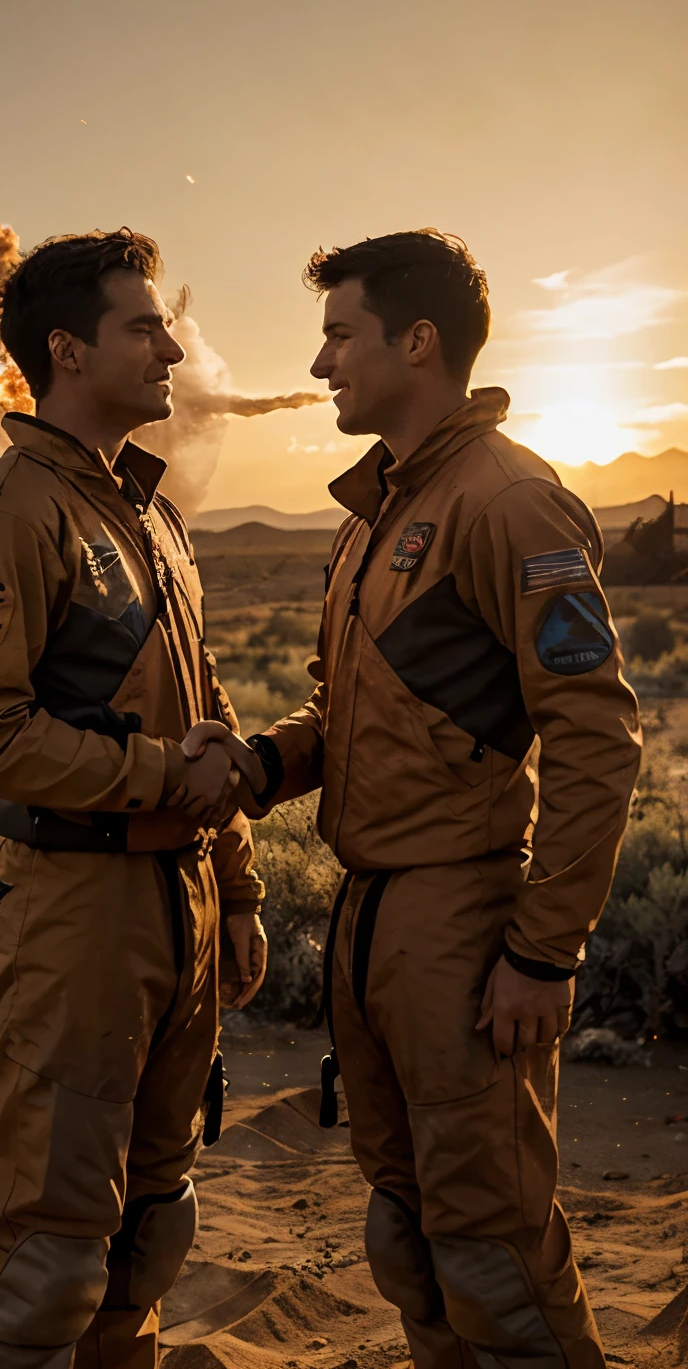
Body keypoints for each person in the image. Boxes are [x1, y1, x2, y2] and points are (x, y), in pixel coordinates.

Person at [189, 229, 642, 1368]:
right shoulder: (371, 516)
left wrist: (543, 952)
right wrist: (262, 767)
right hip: (372, 922)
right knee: (410, 1233)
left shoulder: (508, 503)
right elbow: (353, 717)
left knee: (492, 1247)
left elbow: (596, 740)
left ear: (418, 341)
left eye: (340, 335)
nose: (320, 362)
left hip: (461, 925)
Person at [0, 229, 267, 1369]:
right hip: (71, 912)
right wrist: (169, 781)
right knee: (51, 1251)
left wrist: (237, 884)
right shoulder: (10, 513)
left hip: (179, 907)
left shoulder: (150, 513)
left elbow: (198, 699)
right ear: (66, 352)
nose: (173, 345)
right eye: (143, 325)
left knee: (150, 1226)